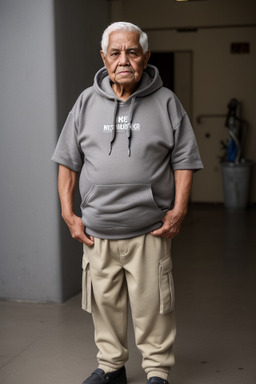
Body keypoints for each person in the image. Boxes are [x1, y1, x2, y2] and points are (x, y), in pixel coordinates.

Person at [52, 21, 203, 384]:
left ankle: (156, 371)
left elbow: (185, 160)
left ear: (145, 57)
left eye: (132, 52)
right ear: (103, 58)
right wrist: (68, 214)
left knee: (153, 306)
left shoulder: (167, 102)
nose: (124, 60)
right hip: (97, 229)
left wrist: (179, 210)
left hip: (149, 230)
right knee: (104, 304)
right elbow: (67, 162)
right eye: (116, 53)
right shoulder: (86, 102)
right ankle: (111, 367)